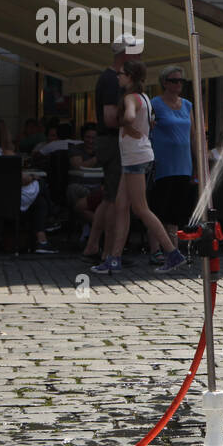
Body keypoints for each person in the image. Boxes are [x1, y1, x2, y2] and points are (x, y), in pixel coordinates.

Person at [91, 60, 186, 275]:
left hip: (134, 157)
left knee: (141, 209)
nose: (118, 77)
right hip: (135, 156)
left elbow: (131, 116)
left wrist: (124, 123)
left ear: (130, 77)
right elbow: (147, 121)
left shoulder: (130, 98)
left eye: (122, 74)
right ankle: (114, 258)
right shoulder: (144, 97)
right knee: (121, 206)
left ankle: (172, 253)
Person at [84, 38, 131, 263]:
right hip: (113, 142)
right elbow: (111, 119)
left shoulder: (111, 78)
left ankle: (93, 246)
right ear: (126, 54)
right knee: (114, 199)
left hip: (110, 142)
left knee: (109, 196)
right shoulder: (113, 80)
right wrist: (135, 121)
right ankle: (109, 252)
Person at [148, 65, 195, 263]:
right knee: (158, 207)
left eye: (181, 81)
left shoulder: (187, 105)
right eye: (175, 81)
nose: (179, 84)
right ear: (165, 82)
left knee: (176, 210)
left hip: (183, 163)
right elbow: (146, 128)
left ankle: (173, 250)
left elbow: (193, 135)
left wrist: (198, 161)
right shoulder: (155, 104)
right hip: (163, 163)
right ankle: (155, 250)